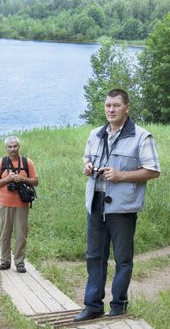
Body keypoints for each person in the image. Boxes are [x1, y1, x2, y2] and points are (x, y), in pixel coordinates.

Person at [74, 89, 160, 322]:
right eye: (107, 105)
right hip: (96, 202)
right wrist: (87, 166)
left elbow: (153, 171)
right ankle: (92, 306)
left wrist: (120, 175)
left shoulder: (142, 136)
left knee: (122, 259)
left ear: (127, 107)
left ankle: (118, 306)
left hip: (123, 207)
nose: (110, 110)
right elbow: (86, 157)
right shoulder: (95, 134)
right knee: (94, 256)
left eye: (116, 106)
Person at [0, 136, 38, 273]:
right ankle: (5, 261)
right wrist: (7, 179)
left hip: (22, 205)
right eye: (10, 147)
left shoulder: (26, 162)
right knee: (5, 234)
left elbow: (35, 181)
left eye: (15, 146)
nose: (13, 149)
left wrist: (22, 178)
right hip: (4, 204)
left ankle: (19, 262)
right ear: (6, 148)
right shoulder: (1, 163)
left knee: (21, 235)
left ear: (19, 146)